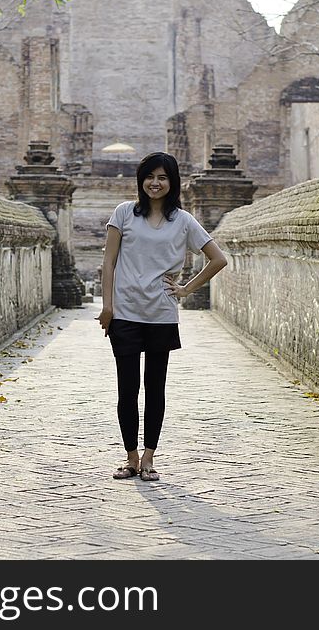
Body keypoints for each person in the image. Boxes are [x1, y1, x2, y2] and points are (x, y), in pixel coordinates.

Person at [96, 151, 228, 482]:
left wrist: (185, 289)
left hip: (161, 314)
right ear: (141, 180)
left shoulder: (183, 221)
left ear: (173, 183)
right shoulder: (124, 213)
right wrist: (107, 306)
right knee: (127, 389)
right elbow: (109, 262)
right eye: (150, 177)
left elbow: (217, 259)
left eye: (163, 177)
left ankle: (151, 457)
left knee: (155, 388)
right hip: (125, 312)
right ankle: (131, 457)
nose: (156, 183)